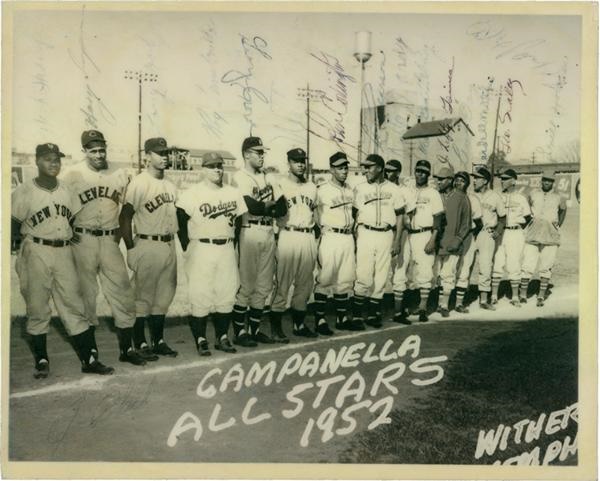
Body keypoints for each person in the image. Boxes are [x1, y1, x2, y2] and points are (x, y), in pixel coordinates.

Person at [12, 143, 114, 378]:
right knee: (37, 306)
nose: (54, 163)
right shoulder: (24, 190)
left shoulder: (68, 189)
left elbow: (73, 221)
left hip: (64, 251)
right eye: (48, 159)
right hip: (35, 250)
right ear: (37, 161)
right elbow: (12, 224)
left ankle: (89, 359)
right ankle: (41, 359)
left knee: (74, 304)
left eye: (57, 159)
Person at [62, 130, 143, 365]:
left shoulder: (119, 172)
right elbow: (61, 209)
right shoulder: (71, 175)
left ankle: (126, 350)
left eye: (101, 149)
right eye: (93, 150)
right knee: (85, 297)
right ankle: (90, 356)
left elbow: (125, 210)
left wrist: (119, 240)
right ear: (84, 151)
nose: (99, 154)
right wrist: (69, 235)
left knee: (124, 294)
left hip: (109, 240)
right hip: (82, 239)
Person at [176, 152, 248, 356]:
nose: (217, 169)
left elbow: (240, 221)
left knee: (226, 293)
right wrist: (187, 245)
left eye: (219, 166)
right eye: (212, 166)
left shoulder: (232, 192)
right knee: (200, 293)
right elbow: (180, 219)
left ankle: (222, 337)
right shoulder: (193, 193)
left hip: (226, 246)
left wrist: (233, 242)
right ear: (203, 169)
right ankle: (201, 339)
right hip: (201, 247)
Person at [119, 137, 179, 361]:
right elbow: (125, 216)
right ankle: (140, 341)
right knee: (142, 298)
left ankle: (158, 341)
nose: (164, 157)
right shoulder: (140, 182)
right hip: (147, 242)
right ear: (147, 156)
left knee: (163, 297)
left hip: (168, 243)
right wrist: (131, 247)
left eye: (166, 152)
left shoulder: (170, 184)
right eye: (159, 152)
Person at [231, 137, 286, 346]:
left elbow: (282, 208)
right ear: (246, 154)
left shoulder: (269, 177)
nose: (262, 156)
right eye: (258, 152)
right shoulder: (239, 177)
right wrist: (268, 206)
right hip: (249, 232)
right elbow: (250, 206)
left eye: (263, 152)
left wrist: (266, 207)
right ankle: (240, 333)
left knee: (264, 286)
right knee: (246, 285)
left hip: (267, 233)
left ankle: (254, 330)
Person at [353, 154, 412, 328]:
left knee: (381, 276)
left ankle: (373, 314)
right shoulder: (360, 188)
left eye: (369, 167)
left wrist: (397, 240)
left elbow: (400, 215)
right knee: (363, 274)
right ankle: (356, 316)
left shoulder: (394, 189)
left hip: (386, 234)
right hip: (366, 232)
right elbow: (353, 213)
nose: (365, 170)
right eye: (364, 167)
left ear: (379, 168)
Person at [270, 148, 319, 339]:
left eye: (302, 160)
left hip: (307, 236)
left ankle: (299, 325)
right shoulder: (280, 184)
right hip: (288, 235)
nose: (300, 164)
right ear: (288, 163)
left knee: (305, 284)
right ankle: (276, 328)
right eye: (296, 161)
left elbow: (315, 213)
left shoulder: (312, 187)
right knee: (283, 282)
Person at [393, 159, 444, 322]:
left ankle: (422, 309)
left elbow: (438, 219)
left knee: (425, 272)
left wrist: (433, 240)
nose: (420, 174)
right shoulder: (407, 191)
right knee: (400, 270)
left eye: (423, 171)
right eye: (418, 171)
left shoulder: (433, 193)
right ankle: (398, 311)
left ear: (428, 174)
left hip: (424, 234)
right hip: (407, 234)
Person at [313, 152, 357, 333]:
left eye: (345, 167)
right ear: (331, 169)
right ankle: (320, 320)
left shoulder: (350, 189)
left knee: (345, 279)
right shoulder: (322, 190)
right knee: (325, 278)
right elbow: (314, 214)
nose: (344, 170)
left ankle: (341, 319)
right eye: (339, 167)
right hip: (330, 236)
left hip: (348, 237)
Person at [519, 171, 567, 307]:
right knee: (527, 265)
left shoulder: (559, 197)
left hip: (551, 235)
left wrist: (557, 224)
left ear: (553, 182)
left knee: (546, 266)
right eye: (545, 180)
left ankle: (540, 296)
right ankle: (523, 295)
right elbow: (526, 208)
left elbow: (563, 211)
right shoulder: (533, 194)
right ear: (541, 181)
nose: (547, 183)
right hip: (533, 234)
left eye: (549, 181)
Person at [490, 168, 531, 306]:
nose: (502, 181)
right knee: (497, 262)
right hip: (501, 232)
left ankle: (515, 297)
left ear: (513, 181)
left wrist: (518, 230)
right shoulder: (498, 197)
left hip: (515, 232)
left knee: (514, 263)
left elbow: (528, 218)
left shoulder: (521, 198)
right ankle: (494, 295)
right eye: (501, 178)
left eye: (506, 178)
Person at [434, 168, 471, 317]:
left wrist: (458, 240)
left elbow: (466, 224)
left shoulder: (462, 198)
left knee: (448, 274)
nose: (439, 182)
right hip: (437, 242)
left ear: (450, 180)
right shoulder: (437, 196)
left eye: (442, 179)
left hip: (452, 243)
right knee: (436, 274)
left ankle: (444, 305)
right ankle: (437, 303)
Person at [471, 165, 506, 310]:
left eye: (477, 178)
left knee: (485, 265)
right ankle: (460, 298)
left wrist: (498, 231)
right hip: (472, 232)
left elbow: (503, 217)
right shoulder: (470, 195)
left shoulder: (495, 196)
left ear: (485, 181)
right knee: (466, 264)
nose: (474, 181)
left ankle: (484, 299)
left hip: (487, 232)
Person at [454, 171, 483, 313]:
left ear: (467, 183)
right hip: (451, 236)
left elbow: (479, 223)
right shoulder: (450, 197)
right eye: (457, 180)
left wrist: (470, 234)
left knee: (465, 268)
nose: (459, 183)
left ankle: (459, 302)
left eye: (462, 180)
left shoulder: (473, 199)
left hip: (467, 236)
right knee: (448, 267)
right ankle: (443, 302)